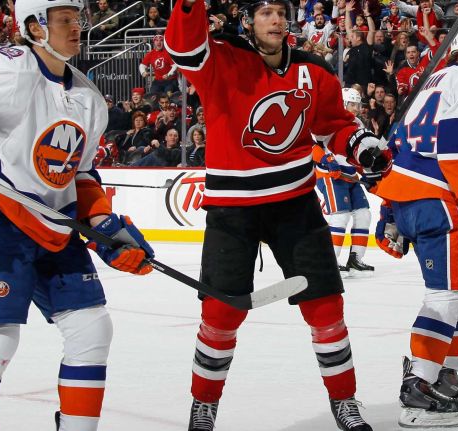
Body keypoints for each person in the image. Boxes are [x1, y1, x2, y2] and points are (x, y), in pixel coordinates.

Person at [0, 0, 154, 429]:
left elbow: (84, 175)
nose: (77, 27)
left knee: (92, 331)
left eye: (78, 19)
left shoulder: (89, 96)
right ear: (35, 28)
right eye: (65, 21)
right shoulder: (9, 67)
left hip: (55, 226)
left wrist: (105, 229)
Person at [165, 0, 390, 429]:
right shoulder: (219, 58)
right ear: (248, 22)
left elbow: (333, 126)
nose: (276, 20)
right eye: (265, 13)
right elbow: (182, 46)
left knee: (326, 306)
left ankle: (344, 401)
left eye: (281, 13)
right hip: (232, 209)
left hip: (294, 203)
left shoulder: (312, 68)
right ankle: (204, 404)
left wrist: (362, 146)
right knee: (220, 314)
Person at [373, 19, 458, 428]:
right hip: (435, 200)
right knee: (446, 296)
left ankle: (444, 372)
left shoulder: (431, 80)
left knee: (457, 290)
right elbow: (457, 142)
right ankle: (418, 386)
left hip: (410, 196)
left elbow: (395, 146)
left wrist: (390, 210)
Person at [312, 87, 374, 277]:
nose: (355, 108)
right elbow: (312, 144)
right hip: (331, 175)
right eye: (352, 104)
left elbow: (361, 151)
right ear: (342, 103)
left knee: (364, 214)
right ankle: (330, 261)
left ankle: (356, 259)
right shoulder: (328, 118)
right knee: (340, 215)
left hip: (350, 175)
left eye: (357, 104)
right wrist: (326, 160)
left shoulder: (357, 123)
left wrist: (368, 171)